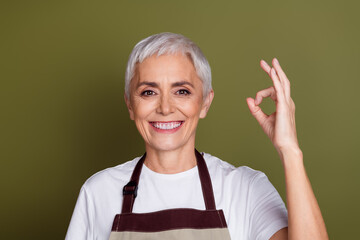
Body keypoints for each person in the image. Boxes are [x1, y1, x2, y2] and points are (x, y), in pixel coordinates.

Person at [65, 32, 329, 240]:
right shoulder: (98, 192)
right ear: (130, 105)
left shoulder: (245, 189)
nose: (166, 107)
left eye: (182, 91)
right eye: (148, 92)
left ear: (204, 103)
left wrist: (290, 150)